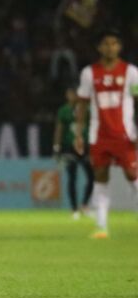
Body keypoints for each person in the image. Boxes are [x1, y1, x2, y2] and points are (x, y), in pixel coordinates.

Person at [73, 29, 138, 239]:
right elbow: (82, 104)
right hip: (98, 135)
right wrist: (78, 134)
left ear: (120, 47)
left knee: (133, 175)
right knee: (100, 178)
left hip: (124, 134)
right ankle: (101, 226)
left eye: (114, 43)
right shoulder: (89, 73)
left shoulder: (131, 72)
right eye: (106, 44)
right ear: (99, 48)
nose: (110, 47)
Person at [52, 86, 92, 220]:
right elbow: (59, 129)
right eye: (71, 94)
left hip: (85, 146)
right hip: (69, 147)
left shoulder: (87, 109)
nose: (73, 96)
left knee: (92, 176)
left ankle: (84, 204)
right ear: (67, 95)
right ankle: (74, 209)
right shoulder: (63, 111)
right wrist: (57, 147)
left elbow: (93, 125)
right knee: (72, 177)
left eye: (75, 94)